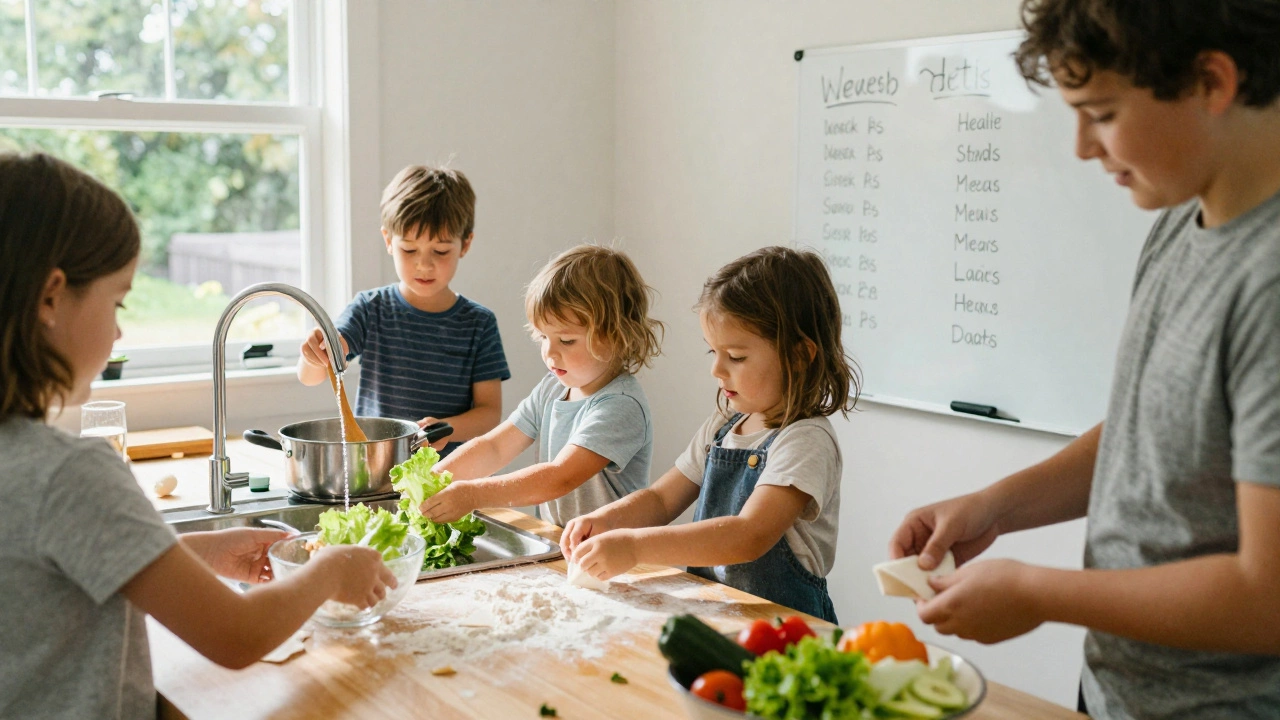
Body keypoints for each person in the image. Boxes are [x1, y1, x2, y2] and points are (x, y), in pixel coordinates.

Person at [887, 1, 1280, 717]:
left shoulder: (1270, 281)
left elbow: (1268, 595)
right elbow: (1149, 434)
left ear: (1212, 83)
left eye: (1099, 113)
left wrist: (1040, 594)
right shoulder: (1178, 223)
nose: (1080, 147)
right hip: (1118, 693)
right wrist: (994, 508)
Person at [0, 152, 397, 719]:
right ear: (50, 297)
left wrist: (194, 553)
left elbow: (52, 572)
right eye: (117, 300)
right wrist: (329, 571)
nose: (118, 328)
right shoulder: (69, 472)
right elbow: (236, 636)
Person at [561, 247, 859, 623]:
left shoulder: (806, 441)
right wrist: (608, 520)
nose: (717, 369)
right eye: (713, 352)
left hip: (786, 629)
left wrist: (635, 547)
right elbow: (660, 498)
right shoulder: (723, 425)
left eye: (735, 356)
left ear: (799, 355)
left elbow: (747, 535)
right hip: (719, 616)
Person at [419, 244, 663, 528]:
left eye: (566, 340)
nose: (549, 353)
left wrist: (473, 494)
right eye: (543, 337)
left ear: (618, 335)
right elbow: (495, 447)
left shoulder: (620, 405)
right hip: (562, 540)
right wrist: (434, 478)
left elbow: (560, 477)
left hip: (614, 555)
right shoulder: (552, 388)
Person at [297, 164, 510, 454]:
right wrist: (314, 356)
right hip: (374, 473)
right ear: (388, 240)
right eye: (409, 250)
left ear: (466, 244)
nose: (424, 264)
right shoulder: (370, 309)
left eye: (441, 251)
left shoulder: (479, 323)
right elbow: (312, 376)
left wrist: (446, 428)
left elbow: (489, 414)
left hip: (449, 479)